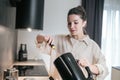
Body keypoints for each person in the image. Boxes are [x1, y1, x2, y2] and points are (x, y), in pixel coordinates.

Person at [36, 5, 108, 80]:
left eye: (76, 23)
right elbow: (38, 40)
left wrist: (89, 67)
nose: (71, 26)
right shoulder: (58, 39)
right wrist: (43, 37)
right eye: (69, 23)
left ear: (84, 23)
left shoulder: (92, 46)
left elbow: (104, 69)